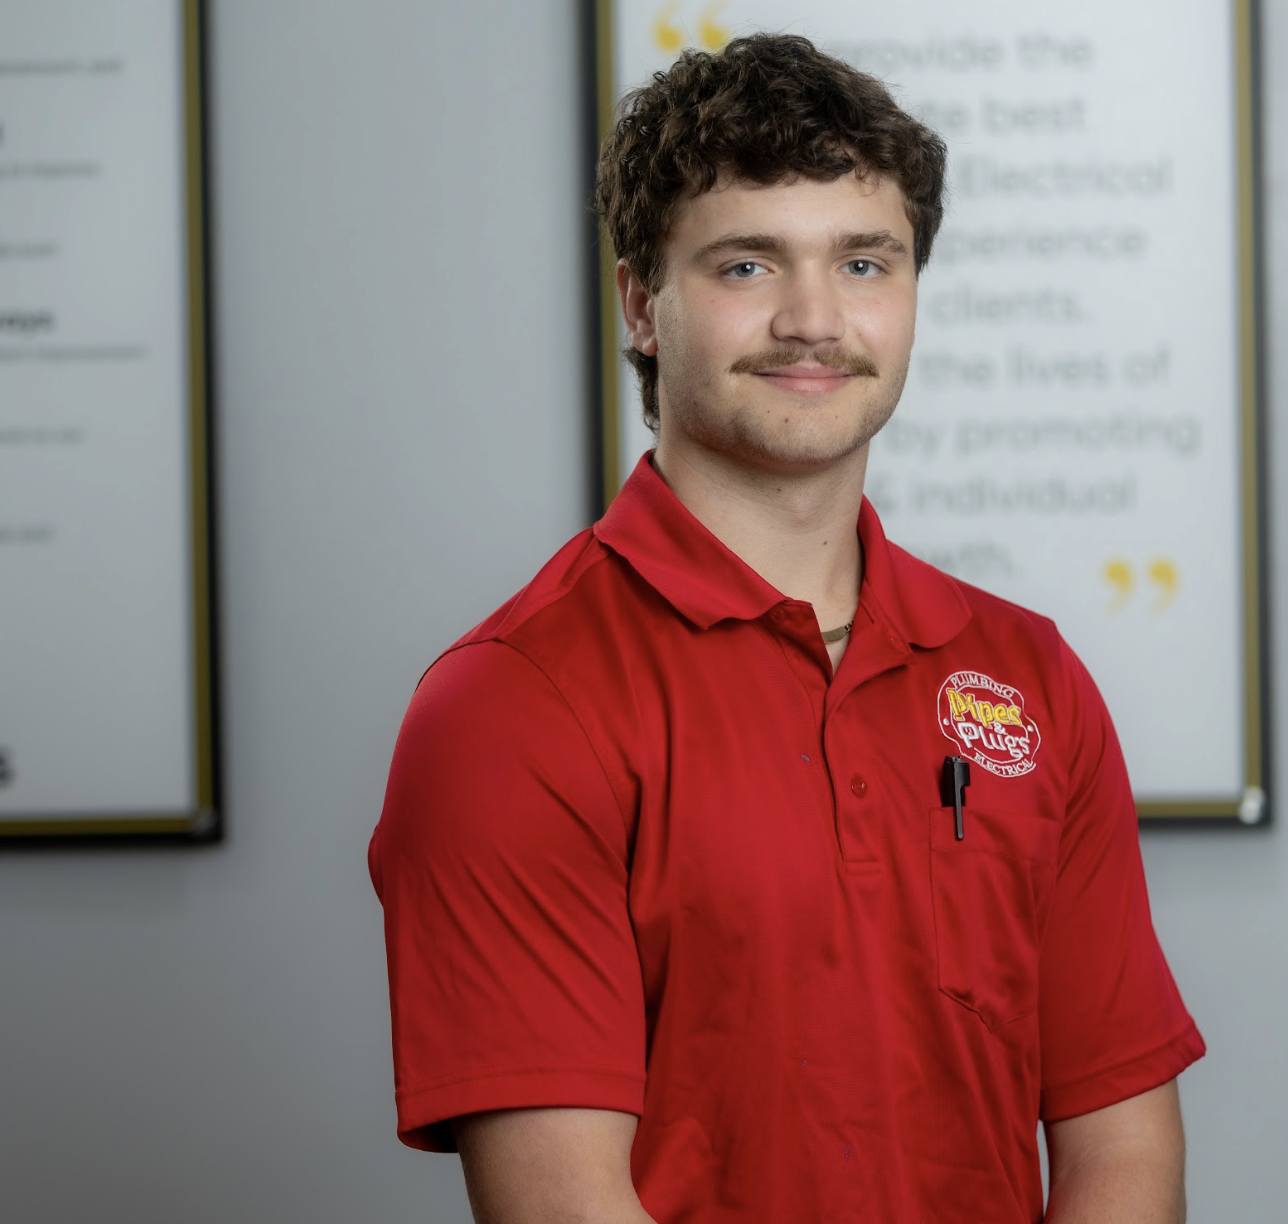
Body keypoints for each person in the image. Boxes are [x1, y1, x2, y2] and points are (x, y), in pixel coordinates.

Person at [370, 32, 1204, 1224]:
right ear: (640, 303)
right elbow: (564, 1209)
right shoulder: (508, 707)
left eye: (865, 263)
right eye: (749, 266)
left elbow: (1122, 1153)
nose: (816, 320)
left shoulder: (1028, 679)